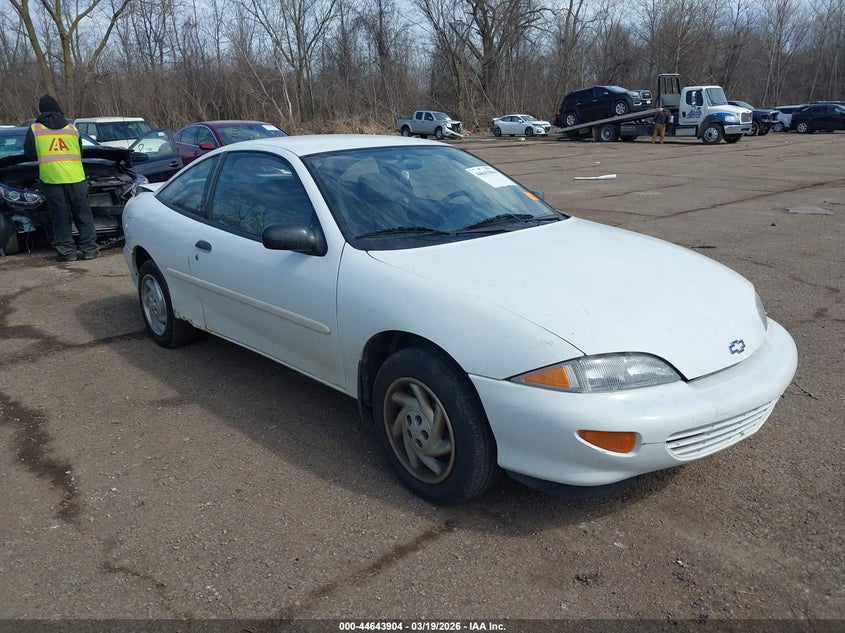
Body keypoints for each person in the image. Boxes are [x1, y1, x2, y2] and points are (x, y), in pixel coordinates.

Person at [24, 95, 99, 261]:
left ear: (41, 110)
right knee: (83, 215)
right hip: (77, 179)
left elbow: (29, 154)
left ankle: (67, 252)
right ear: (58, 108)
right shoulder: (72, 128)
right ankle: (90, 249)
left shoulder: (35, 130)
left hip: (52, 181)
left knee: (60, 218)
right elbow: (80, 150)